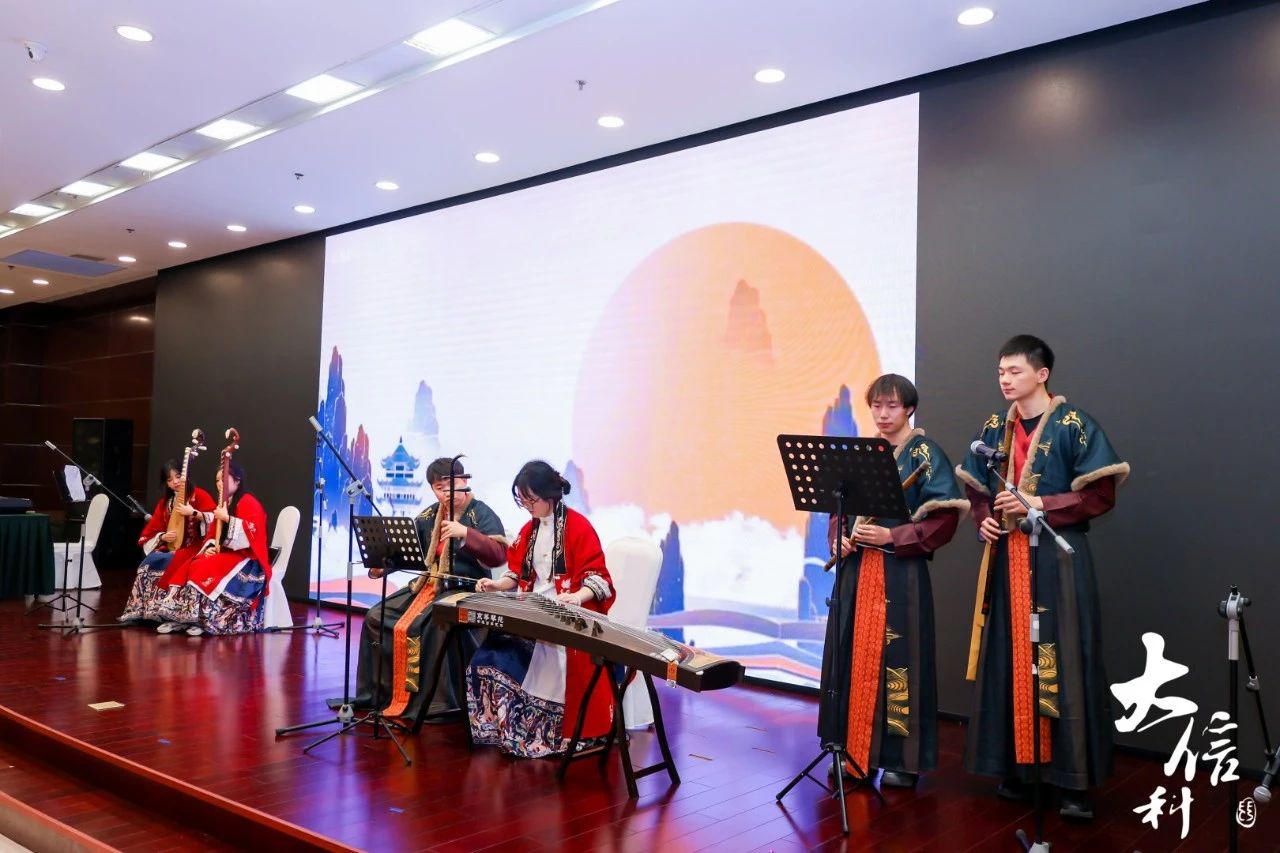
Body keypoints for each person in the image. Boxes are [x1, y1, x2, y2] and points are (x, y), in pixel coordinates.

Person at [956, 335, 1128, 820]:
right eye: (1001, 372)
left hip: (1057, 559)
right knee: (1010, 660)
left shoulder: (1074, 424)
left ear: (1041, 373)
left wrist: (1041, 504)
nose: (1005, 379)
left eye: (1014, 371)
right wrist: (984, 519)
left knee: (1062, 661)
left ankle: (1071, 782)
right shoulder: (995, 427)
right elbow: (978, 490)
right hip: (1007, 561)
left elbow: (1100, 494)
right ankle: (1018, 769)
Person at [817, 374, 968, 789]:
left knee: (901, 661)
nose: (883, 414)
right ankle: (849, 750)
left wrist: (893, 535)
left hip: (900, 574)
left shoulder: (925, 453)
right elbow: (838, 509)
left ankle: (901, 759)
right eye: (877, 406)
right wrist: (839, 536)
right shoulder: (863, 454)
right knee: (849, 656)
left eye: (893, 406)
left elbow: (944, 519)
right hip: (856, 573)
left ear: (909, 408)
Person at [466, 460, 614, 758]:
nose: (527, 506)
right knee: (486, 658)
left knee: (525, 660)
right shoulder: (529, 530)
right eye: (523, 500)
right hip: (530, 611)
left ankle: (555, 733)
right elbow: (517, 573)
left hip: (563, 617)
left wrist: (577, 597)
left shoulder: (579, 527)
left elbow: (599, 578)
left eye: (531, 500)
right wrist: (496, 585)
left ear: (550, 494)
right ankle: (502, 730)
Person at [349, 458, 508, 721]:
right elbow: (408, 551)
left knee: (432, 622)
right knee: (376, 616)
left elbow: (499, 555)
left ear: (464, 481)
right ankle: (380, 694)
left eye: (451, 485)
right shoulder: (429, 515)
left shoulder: (480, 513)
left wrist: (465, 533)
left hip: (466, 587)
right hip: (429, 584)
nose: (446, 493)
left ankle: (435, 703)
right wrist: (381, 567)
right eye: (439, 488)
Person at [154, 460, 272, 636]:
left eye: (223, 479)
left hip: (247, 558)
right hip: (226, 553)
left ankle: (205, 620)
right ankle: (182, 617)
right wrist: (211, 546)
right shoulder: (224, 503)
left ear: (237, 480)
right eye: (217, 480)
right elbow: (212, 534)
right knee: (193, 564)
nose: (219, 484)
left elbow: (253, 534)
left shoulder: (248, 502)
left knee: (203, 568)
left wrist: (228, 519)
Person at [120, 460, 215, 623]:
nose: (175, 482)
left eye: (178, 477)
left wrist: (194, 513)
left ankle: (169, 611)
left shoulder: (199, 495)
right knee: (149, 562)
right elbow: (152, 529)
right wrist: (162, 537)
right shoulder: (166, 502)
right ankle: (144, 609)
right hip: (172, 548)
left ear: (185, 476)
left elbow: (215, 520)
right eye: (170, 480)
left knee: (169, 560)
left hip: (195, 547)